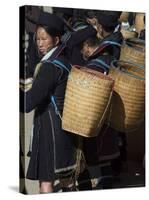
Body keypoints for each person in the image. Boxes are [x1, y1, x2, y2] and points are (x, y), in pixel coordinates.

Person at [20, 11, 83, 193]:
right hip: (64, 127)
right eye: (37, 39)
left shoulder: (49, 67)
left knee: (46, 183)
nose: (39, 43)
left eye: (44, 39)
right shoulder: (63, 61)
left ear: (56, 40)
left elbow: (30, 101)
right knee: (67, 181)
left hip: (50, 131)